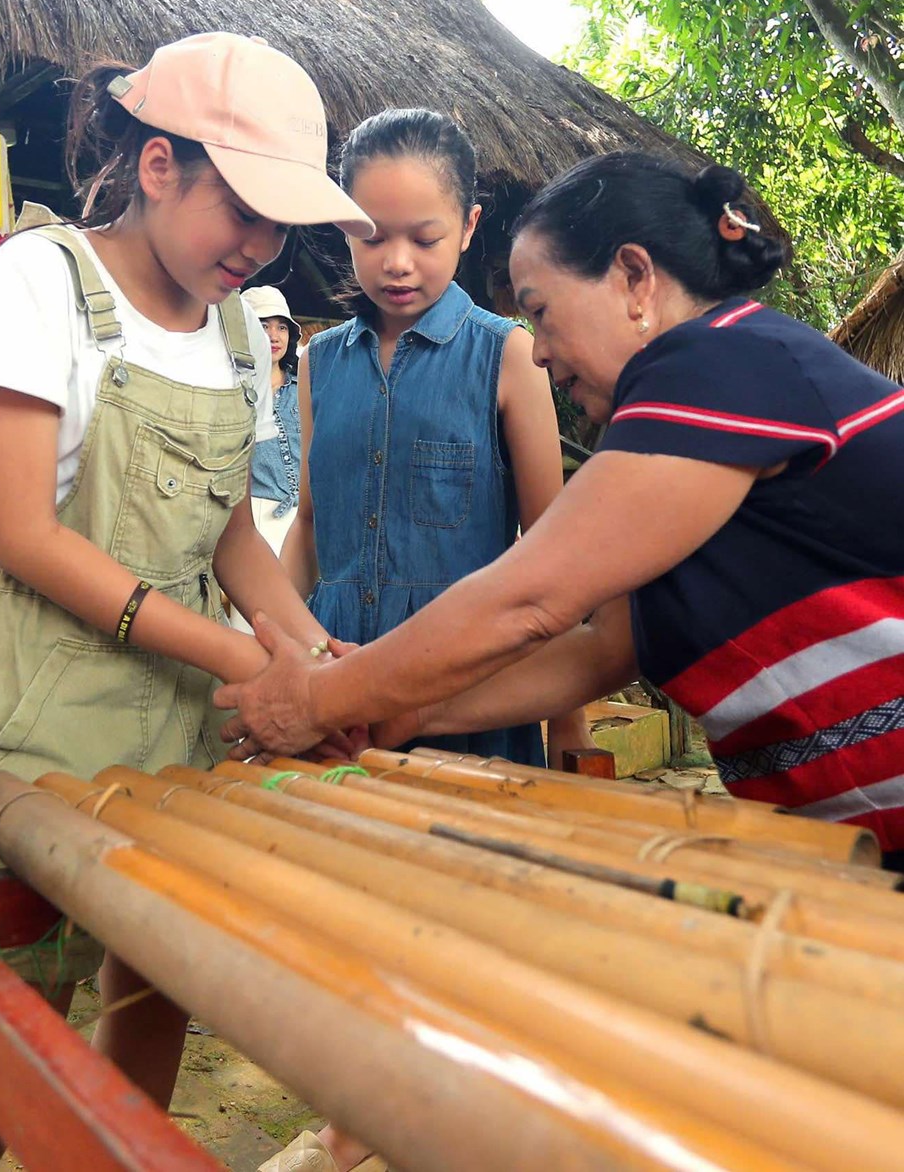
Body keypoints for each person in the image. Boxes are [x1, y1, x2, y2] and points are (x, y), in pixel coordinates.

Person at [0, 32, 373, 1172]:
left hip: (174, 722)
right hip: (35, 720)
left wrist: (317, 657)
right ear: (157, 164)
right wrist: (236, 657)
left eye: (278, 224)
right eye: (242, 208)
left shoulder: (231, 327)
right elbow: (19, 533)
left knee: (154, 984)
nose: (259, 246)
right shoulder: (36, 277)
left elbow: (223, 536)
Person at [220, 151, 904, 877]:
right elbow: (604, 647)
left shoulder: (722, 364)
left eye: (542, 312)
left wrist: (321, 698)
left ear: (635, 279)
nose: (540, 352)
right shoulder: (689, 408)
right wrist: (405, 715)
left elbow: (531, 600)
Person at [279, 106, 577, 771]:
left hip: (467, 694)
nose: (397, 263)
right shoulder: (318, 362)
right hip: (336, 697)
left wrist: (570, 730)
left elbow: (556, 562)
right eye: (374, 238)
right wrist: (281, 654)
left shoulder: (508, 357)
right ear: (343, 227)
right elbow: (307, 524)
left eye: (424, 238)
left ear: (469, 228)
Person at [239, 284, 303, 556]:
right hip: (253, 518)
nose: (274, 336)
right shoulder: (233, 393)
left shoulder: (307, 388)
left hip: (304, 520)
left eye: (282, 327)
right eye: (263, 325)